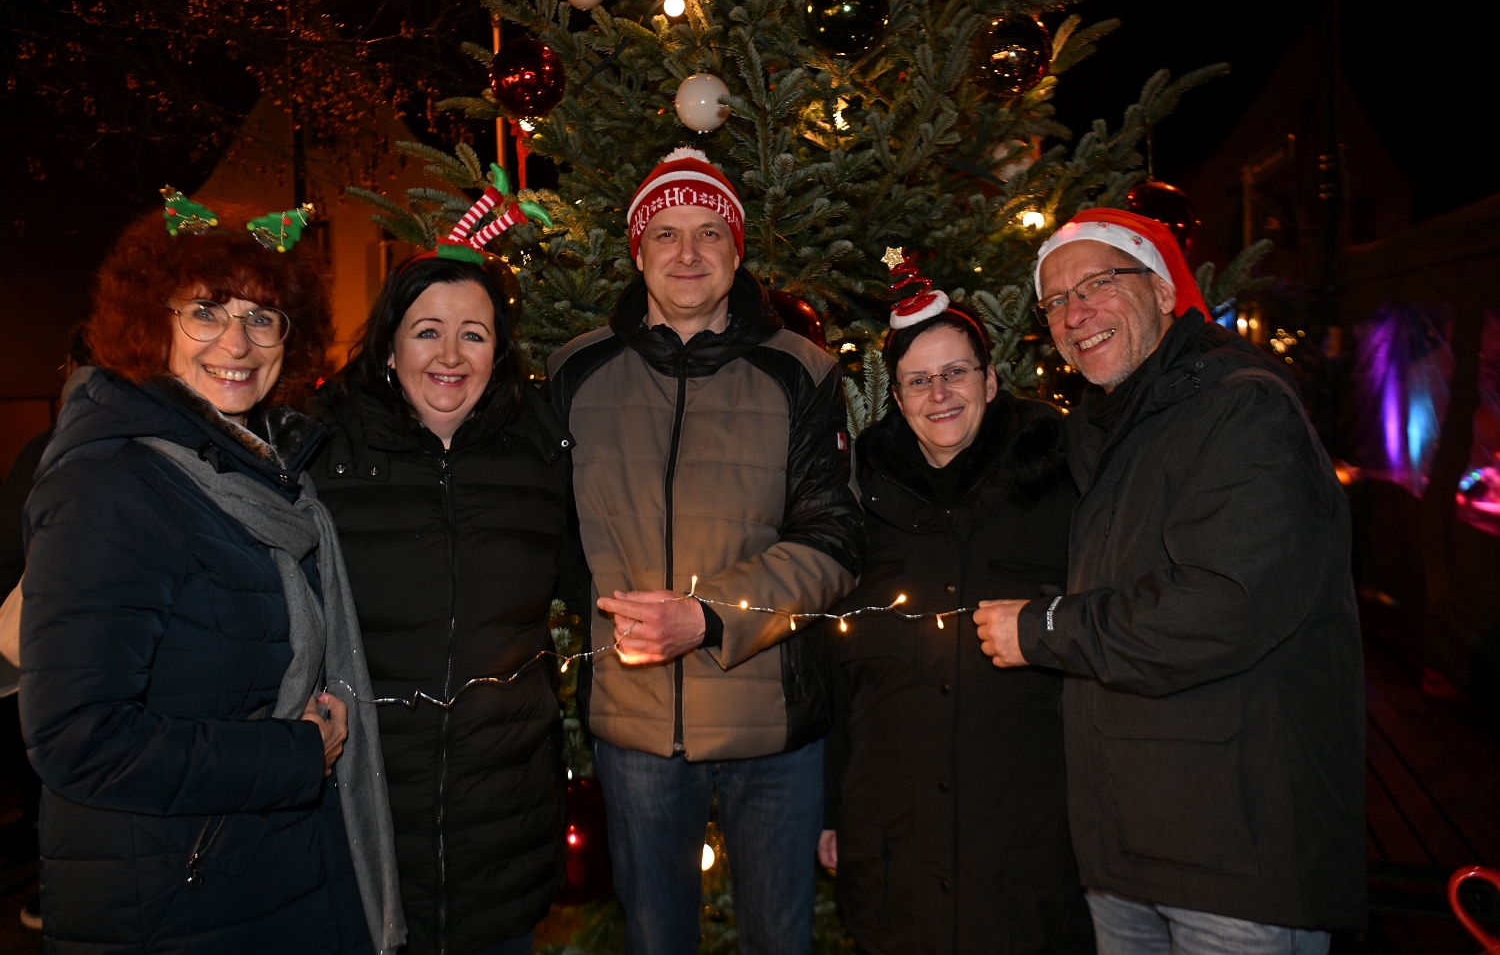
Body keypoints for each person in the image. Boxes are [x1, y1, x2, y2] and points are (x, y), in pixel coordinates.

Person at [973, 208, 1365, 953]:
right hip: (1126, 850)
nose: (1074, 314)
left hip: (1235, 857)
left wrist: (1043, 628)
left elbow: (1224, 605)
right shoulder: (1110, 427)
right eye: (1055, 301)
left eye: (1097, 283)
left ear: (1160, 290)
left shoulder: (1239, 407)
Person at [19, 198, 403, 955]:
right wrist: (296, 756)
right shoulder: (111, 485)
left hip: (259, 881)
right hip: (168, 904)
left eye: (262, 318)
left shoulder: (265, 475)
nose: (237, 341)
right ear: (150, 321)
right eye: (205, 311)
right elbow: (77, 738)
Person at [546, 148, 863, 955]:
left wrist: (708, 618)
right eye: (666, 233)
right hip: (636, 728)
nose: (687, 253)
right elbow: (549, 530)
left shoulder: (802, 371)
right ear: (637, 251)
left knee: (779, 942)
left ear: (737, 249)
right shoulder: (576, 372)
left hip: (774, 727)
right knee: (656, 941)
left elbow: (834, 539)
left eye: (709, 232)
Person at [308, 253, 589, 955]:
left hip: (503, 829)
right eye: (428, 331)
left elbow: (595, 582)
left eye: (474, 334)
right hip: (362, 822)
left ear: (500, 351)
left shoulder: (542, 455)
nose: (451, 356)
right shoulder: (321, 450)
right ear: (389, 346)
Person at [818, 261, 1094, 954]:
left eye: (956, 373)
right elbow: (835, 681)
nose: (939, 393)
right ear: (897, 398)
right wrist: (830, 812)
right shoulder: (861, 512)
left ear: (991, 382)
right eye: (918, 380)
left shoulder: (1062, 495)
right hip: (895, 861)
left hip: (1027, 862)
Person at [0, 324, 92, 934]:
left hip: (37, 650)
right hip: (57, 646)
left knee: (51, 775)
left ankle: (52, 891)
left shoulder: (48, 445)